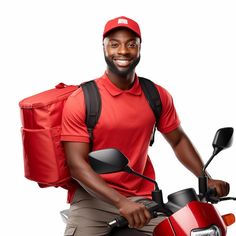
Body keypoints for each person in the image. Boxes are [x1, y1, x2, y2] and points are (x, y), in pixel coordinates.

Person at [61, 16, 230, 236]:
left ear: (140, 48)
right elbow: (76, 165)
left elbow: (178, 140)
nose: (123, 50)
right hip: (93, 200)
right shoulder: (82, 99)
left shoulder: (156, 95)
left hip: (142, 200)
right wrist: (121, 203)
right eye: (114, 43)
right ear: (103, 47)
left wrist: (206, 178)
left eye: (131, 44)